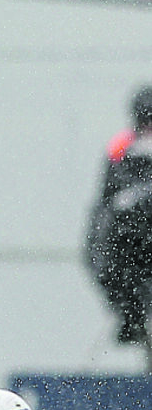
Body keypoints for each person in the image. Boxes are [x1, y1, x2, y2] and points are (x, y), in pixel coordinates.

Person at [85, 84, 152, 346]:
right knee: (104, 258)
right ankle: (132, 317)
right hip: (128, 244)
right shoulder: (122, 151)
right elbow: (107, 201)